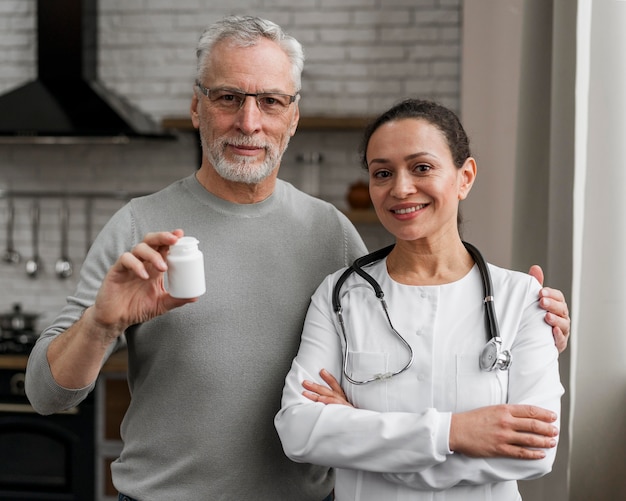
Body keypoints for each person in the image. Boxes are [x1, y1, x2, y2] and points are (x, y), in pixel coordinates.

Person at [23, 16, 569, 501]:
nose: (249, 122)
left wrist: (527, 328)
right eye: (227, 97)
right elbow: (46, 398)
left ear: (293, 116)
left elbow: (415, 346)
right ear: (196, 107)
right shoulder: (140, 229)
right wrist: (101, 323)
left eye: (270, 101)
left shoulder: (331, 232)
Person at [275, 99, 565, 501]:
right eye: (382, 173)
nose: (401, 188)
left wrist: (360, 436)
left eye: (422, 167)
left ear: (465, 177)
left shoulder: (522, 299)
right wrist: (453, 433)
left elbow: (535, 452)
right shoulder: (339, 296)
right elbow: (299, 430)